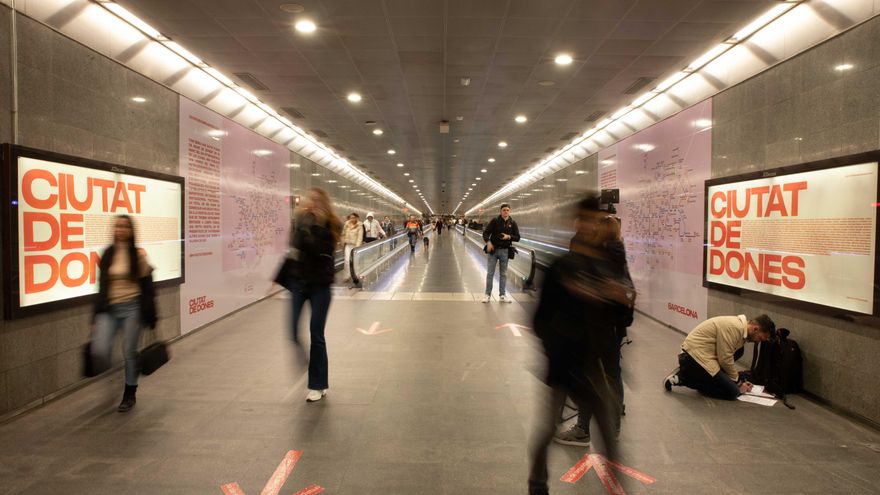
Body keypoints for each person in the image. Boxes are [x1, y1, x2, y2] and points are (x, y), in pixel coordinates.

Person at [527, 195, 629, 495]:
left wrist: (618, 299)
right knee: (547, 430)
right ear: (577, 222)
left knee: (608, 435)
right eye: (584, 220)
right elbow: (540, 319)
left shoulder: (607, 265)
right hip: (563, 362)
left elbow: (623, 314)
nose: (590, 227)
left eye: (595, 221)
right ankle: (537, 486)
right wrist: (554, 347)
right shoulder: (562, 266)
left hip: (595, 363)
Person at [554, 215, 635, 447]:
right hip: (614, 327)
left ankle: (582, 430)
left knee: (588, 375)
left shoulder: (601, 258)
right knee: (612, 374)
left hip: (598, 327)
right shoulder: (618, 256)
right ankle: (613, 428)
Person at [91, 214, 157, 412]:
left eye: (125, 227)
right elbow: (101, 286)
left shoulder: (137, 255)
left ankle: (129, 393)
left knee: (129, 352)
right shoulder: (108, 254)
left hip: (132, 308)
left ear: (130, 231)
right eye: (118, 226)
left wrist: (151, 315)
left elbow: (148, 287)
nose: (120, 230)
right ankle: (116, 376)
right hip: (109, 309)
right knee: (100, 349)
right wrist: (95, 315)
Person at [283, 187, 342, 402]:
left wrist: (313, 227)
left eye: (317, 201)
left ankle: (317, 384)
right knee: (292, 331)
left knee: (316, 333)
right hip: (299, 283)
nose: (313, 204)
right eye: (310, 200)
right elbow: (294, 246)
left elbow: (320, 250)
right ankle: (309, 363)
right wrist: (302, 224)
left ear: (325, 204)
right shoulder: (301, 222)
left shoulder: (331, 226)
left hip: (321, 286)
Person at [664, 314, 777, 400]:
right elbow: (725, 359)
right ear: (755, 329)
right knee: (733, 392)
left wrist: (739, 379)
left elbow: (726, 358)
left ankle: (695, 375)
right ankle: (683, 378)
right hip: (693, 358)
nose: (758, 342)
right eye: (761, 338)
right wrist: (738, 383)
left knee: (739, 352)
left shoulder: (741, 332)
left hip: (705, 356)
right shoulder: (734, 328)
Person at [482, 203, 520, 303]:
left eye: (507, 210)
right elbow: (485, 233)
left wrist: (509, 237)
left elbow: (518, 237)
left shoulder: (513, 222)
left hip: (505, 251)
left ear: (509, 211)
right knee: (490, 273)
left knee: (503, 274)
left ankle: (502, 295)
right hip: (493, 250)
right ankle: (487, 295)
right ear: (500, 211)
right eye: (504, 210)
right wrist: (488, 242)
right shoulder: (495, 221)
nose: (506, 212)